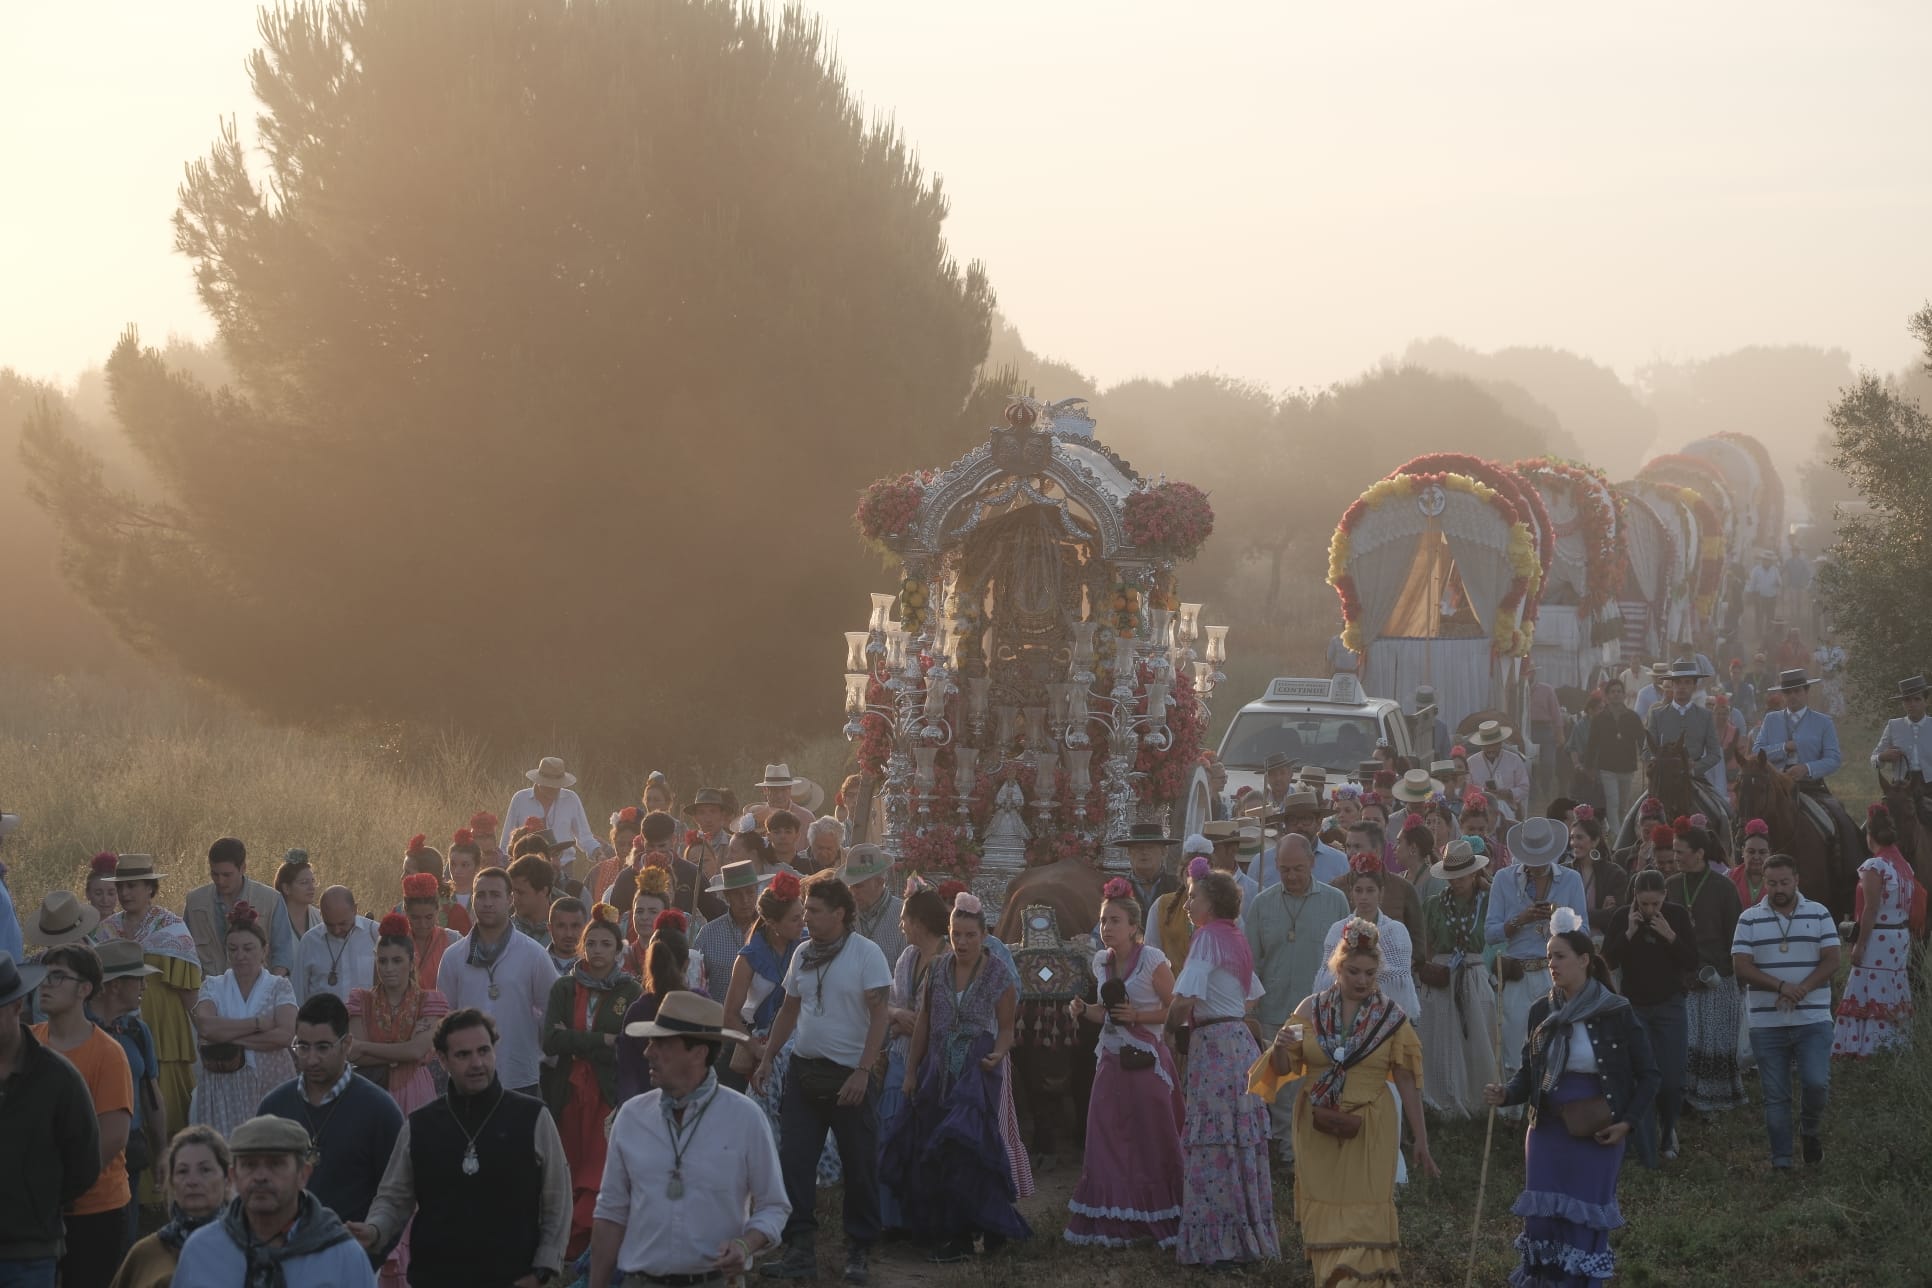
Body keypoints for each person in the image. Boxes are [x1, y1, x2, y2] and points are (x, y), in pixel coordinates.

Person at [1257, 918, 1435, 1286]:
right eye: (1353, 971)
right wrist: (1280, 1048)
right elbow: (1283, 1067)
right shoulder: (1309, 1009)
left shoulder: (1390, 1017)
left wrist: (1421, 1138)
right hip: (1316, 1127)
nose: (1361, 980)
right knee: (1326, 1219)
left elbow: (1406, 1079)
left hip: (1371, 1127)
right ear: (1337, 967)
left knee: (1365, 1217)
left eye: (1370, 973)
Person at [1485, 912, 1658, 1286]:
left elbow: (1649, 1075)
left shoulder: (1616, 1011)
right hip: (1547, 1129)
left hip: (1597, 1131)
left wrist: (1627, 1123)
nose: (1552, 964)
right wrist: (1507, 1093)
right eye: (1548, 956)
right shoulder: (1541, 1010)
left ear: (1584, 960)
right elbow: (1530, 1072)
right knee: (1543, 1220)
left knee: (1582, 1218)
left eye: (1560, 956)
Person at [350, 1009, 570, 1288]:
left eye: (483, 1051)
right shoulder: (420, 1125)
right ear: (442, 1060)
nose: (477, 1063)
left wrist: (543, 1269)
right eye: (463, 1055)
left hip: (513, 1278)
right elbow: (393, 1199)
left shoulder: (533, 1117)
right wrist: (374, 1229)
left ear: (494, 1051)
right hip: (436, 1278)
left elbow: (557, 1200)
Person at [588, 992, 790, 1288]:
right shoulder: (632, 1117)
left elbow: (774, 1206)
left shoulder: (745, 1118)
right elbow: (610, 1212)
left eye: (661, 1044)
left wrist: (745, 1245)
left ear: (698, 1053)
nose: (647, 1052)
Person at [755, 873, 892, 1281]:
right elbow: (789, 1010)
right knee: (794, 1162)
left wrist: (863, 1072)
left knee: (859, 1165)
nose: (806, 918)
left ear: (840, 913)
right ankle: (800, 1249)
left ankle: (859, 1250)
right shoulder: (802, 953)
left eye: (814, 911)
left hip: (850, 1077)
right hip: (803, 1072)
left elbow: (880, 1016)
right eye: (806, 911)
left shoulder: (866, 954)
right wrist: (767, 1058)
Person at [882, 890, 1027, 1267]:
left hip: (977, 1069)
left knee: (967, 1148)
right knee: (934, 1146)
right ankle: (966, 1227)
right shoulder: (938, 969)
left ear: (984, 936)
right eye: (956, 934)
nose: (962, 942)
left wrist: (999, 1052)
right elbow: (924, 1023)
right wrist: (911, 1071)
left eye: (970, 935)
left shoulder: (998, 974)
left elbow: (1007, 1029)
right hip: (937, 1066)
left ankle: (967, 1234)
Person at [1063, 877, 1183, 1250]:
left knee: (1150, 1137)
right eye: (1103, 920)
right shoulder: (1103, 962)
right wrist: (1083, 1009)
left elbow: (1177, 1010)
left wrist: (1138, 1016)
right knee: (1106, 1136)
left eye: (1115, 920)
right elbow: (1107, 1014)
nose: (1107, 927)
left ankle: (1157, 1212)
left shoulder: (1152, 960)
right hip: (1111, 1060)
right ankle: (1113, 1214)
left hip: (1147, 1062)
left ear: (1134, 926)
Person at [1166, 868, 1276, 1269]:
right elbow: (1252, 997)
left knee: (1216, 1141)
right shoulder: (1235, 938)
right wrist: (1224, 1007)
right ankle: (1246, 1231)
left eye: (1194, 896)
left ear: (1211, 903)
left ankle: (1219, 1242)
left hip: (1215, 1046)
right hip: (1239, 1043)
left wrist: (1169, 1029)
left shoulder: (1207, 937)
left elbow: (1183, 998)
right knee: (1237, 1137)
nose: (1188, 904)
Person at [261, 991, 404, 1253]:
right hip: (282, 1258)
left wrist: (373, 1240)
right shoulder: (274, 1108)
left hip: (352, 1257)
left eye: (323, 1047)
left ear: (346, 1044)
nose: (311, 1058)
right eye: (303, 1047)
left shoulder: (380, 1111)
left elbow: (397, 1196)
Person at [30, 943, 134, 1284]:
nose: (45, 985)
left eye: (58, 976)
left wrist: (61, 1187)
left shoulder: (108, 1054)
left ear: (84, 989)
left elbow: (113, 1137)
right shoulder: (27, 1044)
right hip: (31, 1209)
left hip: (95, 1208)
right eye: (44, 976)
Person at [541, 903, 640, 1259]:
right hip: (568, 1089)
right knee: (569, 1161)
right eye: (592, 943)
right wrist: (602, 1041)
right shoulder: (564, 988)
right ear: (583, 947)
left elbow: (628, 1046)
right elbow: (551, 1041)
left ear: (618, 950)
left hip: (607, 1092)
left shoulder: (630, 992)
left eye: (606, 944)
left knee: (600, 1166)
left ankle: (593, 1243)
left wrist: (578, 1040)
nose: (598, 950)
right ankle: (565, 1244)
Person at [171, 1114, 376, 1285]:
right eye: (250, 1165)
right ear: (233, 1176)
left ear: (303, 1175)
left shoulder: (341, 1255)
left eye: (275, 1164)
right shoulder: (201, 1251)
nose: (261, 1176)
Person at [0, 949, 105, 1281]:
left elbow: (84, 1163)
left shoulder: (58, 1078)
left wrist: (38, 1200)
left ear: (16, 1006)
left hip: (30, 1252)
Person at [1244, 832, 1349, 1158]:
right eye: (1284, 869)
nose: (1291, 876)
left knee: (1315, 1083)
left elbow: (1345, 960)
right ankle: (1287, 1153)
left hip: (1321, 1014)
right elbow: (1251, 963)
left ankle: (1313, 1152)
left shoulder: (1335, 901)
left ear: (1312, 863)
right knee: (1282, 1087)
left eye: (1298, 868)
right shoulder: (1262, 904)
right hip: (1275, 1011)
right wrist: (1250, 1010)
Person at [102, 853, 203, 1190]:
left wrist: (203, 1030)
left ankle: (172, 1190)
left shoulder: (171, 927)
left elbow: (189, 990)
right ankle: (127, 1189)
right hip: (116, 1030)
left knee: (167, 1107)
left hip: (164, 1029)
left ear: (150, 888)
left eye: (132, 886)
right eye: (121, 887)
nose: (125, 893)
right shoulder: (106, 930)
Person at [1733, 855, 1840, 1169]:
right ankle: (1781, 1160)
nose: (1778, 889)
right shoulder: (1749, 919)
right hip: (1767, 1021)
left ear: (1796, 880)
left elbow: (1833, 959)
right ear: (1764, 883)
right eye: (1772, 883)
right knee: (1776, 1094)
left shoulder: (1819, 912)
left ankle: (1810, 1130)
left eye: (1784, 882)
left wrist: (1802, 988)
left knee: (1816, 1083)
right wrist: (1781, 986)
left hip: (1813, 1018)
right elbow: (1741, 967)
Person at [1485, 816, 1589, 1112]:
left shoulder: (1571, 879)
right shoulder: (1504, 879)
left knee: (1559, 1044)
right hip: (1518, 972)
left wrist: (1560, 920)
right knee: (1513, 1046)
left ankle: (1554, 1108)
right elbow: (1490, 933)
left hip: (1555, 973)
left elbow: (1584, 932)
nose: (1537, 865)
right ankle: (1512, 1114)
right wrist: (1520, 920)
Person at [1601, 870, 1696, 1166]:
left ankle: (1668, 1128)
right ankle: (1643, 1140)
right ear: (1635, 898)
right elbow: (1607, 961)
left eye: (1656, 903)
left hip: (1670, 1004)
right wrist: (1628, 933)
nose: (1650, 910)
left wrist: (1670, 936)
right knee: (1639, 1075)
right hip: (1634, 1007)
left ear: (1665, 896)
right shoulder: (1622, 917)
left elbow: (1693, 960)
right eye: (1644, 904)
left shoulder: (1677, 916)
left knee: (1672, 1078)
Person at [435, 867, 557, 1097]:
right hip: (467, 1077)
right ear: (472, 899)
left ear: (510, 900)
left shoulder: (533, 954)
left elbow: (551, 1013)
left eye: (495, 895)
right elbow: (445, 1018)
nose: (487, 903)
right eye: (481, 895)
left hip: (519, 1075)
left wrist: (540, 1055)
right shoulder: (453, 957)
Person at [189, 902, 298, 1138]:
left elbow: (284, 1035)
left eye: (248, 948)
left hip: (271, 1081)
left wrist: (226, 1039)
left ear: (264, 950)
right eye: (233, 949)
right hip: (222, 1086)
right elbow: (204, 1025)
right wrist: (257, 1024)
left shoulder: (279, 986)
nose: (240, 956)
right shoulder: (214, 985)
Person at [875, 884, 945, 1234]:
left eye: (904, 919)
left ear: (919, 922)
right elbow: (889, 1004)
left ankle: (923, 1221)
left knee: (925, 1141)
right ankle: (891, 1219)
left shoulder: (948, 961)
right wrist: (898, 1016)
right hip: (900, 1055)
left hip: (935, 1063)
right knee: (890, 1133)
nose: (901, 925)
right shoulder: (906, 958)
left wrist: (918, 1025)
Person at [1665, 824, 1745, 1114]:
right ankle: (1684, 1099)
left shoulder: (1724, 887)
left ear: (1699, 853)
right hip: (1680, 978)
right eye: (1674, 851)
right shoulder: (1671, 885)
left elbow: (1735, 936)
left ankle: (1714, 1099)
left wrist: (1722, 971)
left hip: (1716, 978)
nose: (1675, 857)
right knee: (1685, 1041)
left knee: (1714, 1041)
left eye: (1680, 852)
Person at [1416, 839, 1496, 1117]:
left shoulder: (1487, 901)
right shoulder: (1434, 904)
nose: (1456, 881)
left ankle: (1479, 1098)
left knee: (1478, 1033)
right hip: (1442, 974)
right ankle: (1444, 1097)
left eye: (1462, 875)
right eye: (1451, 876)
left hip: (1474, 971)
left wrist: (1489, 886)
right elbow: (1426, 944)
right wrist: (1428, 972)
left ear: (1474, 873)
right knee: (1441, 1035)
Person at [89, 939, 162, 1241]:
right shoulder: (76, 1030)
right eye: (138, 979)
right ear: (115, 985)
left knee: (125, 1241)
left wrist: (161, 1152)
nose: (144, 985)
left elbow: (152, 1097)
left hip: (130, 1153)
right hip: (85, 1151)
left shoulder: (137, 1031)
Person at [1751, 668, 1863, 862]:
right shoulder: (1771, 720)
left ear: (1806, 691)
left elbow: (1834, 759)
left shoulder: (1823, 722)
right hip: (1775, 789)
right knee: (1748, 824)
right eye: (1788, 692)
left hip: (1811, 787)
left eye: (1797, 691)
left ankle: (1849, 868)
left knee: (1842, 820)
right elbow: (1756, 752)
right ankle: (1742, 866)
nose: (1793, 696)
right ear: (1783, 695)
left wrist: (1807, 768)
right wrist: (1783, 747)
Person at [1833, 804, 1918, 1057]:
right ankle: (1891, 1044)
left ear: (1869, 835)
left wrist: (1859, 944)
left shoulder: (1875, 866)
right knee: (1890, 986)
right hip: (1899, 935)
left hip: (1879, 937)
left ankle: (1866, 1046)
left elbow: (1870, 908)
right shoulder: (1905, 867)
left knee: (1870, 987)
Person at [722, 870, 806, 1118]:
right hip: (759, 1044)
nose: (803, 923)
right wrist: (755, 1048)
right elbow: (729, 1016)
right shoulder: (748, 958)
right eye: (795, 919)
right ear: (772, 923)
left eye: (803, 915)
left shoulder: (807, 947)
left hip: (801, 1044)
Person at [106, 1125, 230, 1288]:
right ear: (171, 1181)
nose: (192, 1181)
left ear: (227, 1178)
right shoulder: (146, 1253)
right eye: (182, 1171)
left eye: (205, 1170)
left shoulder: (246, 1248)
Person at [1312, 868, 1421, 1021]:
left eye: (1370, 890)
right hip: (1343, 1012)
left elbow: (1401, 981)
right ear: (1351, 893)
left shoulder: (1396, 930)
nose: (1364, 897)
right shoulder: (1337, 929)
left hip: (1386, 1016)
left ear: (1381, 893)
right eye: (1358, 890)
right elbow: (1326, 977)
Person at [184, 837, 294, 979]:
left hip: (257, 987)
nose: (220, 881)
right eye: (215, 874)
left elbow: (283, 953)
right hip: (207, 988)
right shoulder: (195, 901)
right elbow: (185, 952)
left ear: (243, 868)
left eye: (227, 875)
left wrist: (270, 985)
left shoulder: (271, 900)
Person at [613, 910, 693, 1104]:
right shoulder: (697, 1007)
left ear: (649, 962)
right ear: (687, 964)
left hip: (643, 1106)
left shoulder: (638, 1010)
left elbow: (626, 1072)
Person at [500, 756, 606, 881]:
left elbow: (585, 836)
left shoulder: (571, 799)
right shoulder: (520, 799)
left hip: (563, 869)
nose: (554, 789)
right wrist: (504, 871)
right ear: (539, 781)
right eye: (549, 785)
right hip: (527, 870)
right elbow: (506, 841)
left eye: (557, 785)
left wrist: (598, 853)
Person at [294, 886, 379, 1005]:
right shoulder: (309, 942)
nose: (336, 930)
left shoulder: (375, 934)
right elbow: (298, 993)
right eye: (329, 924)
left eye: (343, 924)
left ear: (355, 909)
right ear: (321, 914)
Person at [1645, 659, 1721, 788]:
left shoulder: (1705, 716)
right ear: (1672, 685)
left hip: (1695, 778)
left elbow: (1715, 754)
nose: (1682, 686)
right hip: (1663, 780)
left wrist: (1695, 767)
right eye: (1678, 682)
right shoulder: (1657, 715)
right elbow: (1647, 751)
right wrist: (1662, 763)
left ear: (1694, 686)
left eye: (1687, 682)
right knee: (1643, 802)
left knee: (1718, 801)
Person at [841, 844, 904, 969]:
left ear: (880, 882)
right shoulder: (842, 913)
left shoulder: (903, 914)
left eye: (858, 886)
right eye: (850, 886)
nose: (853, 892)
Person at [1568, 810, 1629, 939]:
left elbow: (1616, 915)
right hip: (1568, 939)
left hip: (1602, 941)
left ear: (1595, 841)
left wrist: (1573, 914)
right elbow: (1556, 911)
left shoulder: (1615, 874)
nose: (1574, 843)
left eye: (1579, 837)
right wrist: (1599, 913)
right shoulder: (1564, 871)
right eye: (1572, 838)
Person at [399, 873, 459, 992]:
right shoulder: (395, 941)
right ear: (405, 911)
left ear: (438, 910)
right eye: (415, 918)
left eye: (428, 917)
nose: (423, 924)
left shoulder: (453, 940)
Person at [1466, 721, 1530, 820]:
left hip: (1510, 810)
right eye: (1487, 745)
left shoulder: (1514, 760)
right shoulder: (1471, 762)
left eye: (1494, 744)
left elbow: (1524, 788)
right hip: (1479, 812)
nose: (1491, 748)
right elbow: (1466, 789)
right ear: (1481, 745)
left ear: (1500, 743)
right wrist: (1483, 792)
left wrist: (1509, 793)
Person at [1871, 673, 1932, 773]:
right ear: (1903, 703)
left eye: (1917, 699)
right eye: (1907, 700)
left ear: (1926, 701)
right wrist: (1882, 757)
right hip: (1902, 782)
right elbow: (1874, 759)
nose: (1912, 704)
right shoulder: (1893, 726)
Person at [273, 850, 322, 970]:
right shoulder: (274, 919)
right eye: (304, 883)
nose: (311, 887)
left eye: (312, 881)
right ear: (286, 888)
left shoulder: (320, 918)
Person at [750, 763, 819, 836]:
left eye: (783, 789)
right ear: (765, 790)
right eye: (774, 790)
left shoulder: (806, 817)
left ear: (790, 789)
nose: (779, 795)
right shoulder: (755, 818)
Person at [1729, 819, 1773, 906]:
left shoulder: (1782, 881)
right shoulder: (1729, 878)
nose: (1756, 857)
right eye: (1751, 852)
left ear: (1770, 853)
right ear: (1742, 852)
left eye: (1762, 852)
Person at [1745, 548, 1783, 638]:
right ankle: (1758, 634)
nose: (1766, 562)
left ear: (1771, 562)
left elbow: (1780, 583)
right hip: (1759, 596)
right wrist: (1750, 594)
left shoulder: (1775, 570)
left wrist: (1778, 584)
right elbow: (1751, 583)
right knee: (1759, 616)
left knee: (1770, 617)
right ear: (1762, 560)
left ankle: (1768, 635)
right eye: (1765, 560)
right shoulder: (1756, 570)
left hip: (1772, 597)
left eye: (1768, 560)